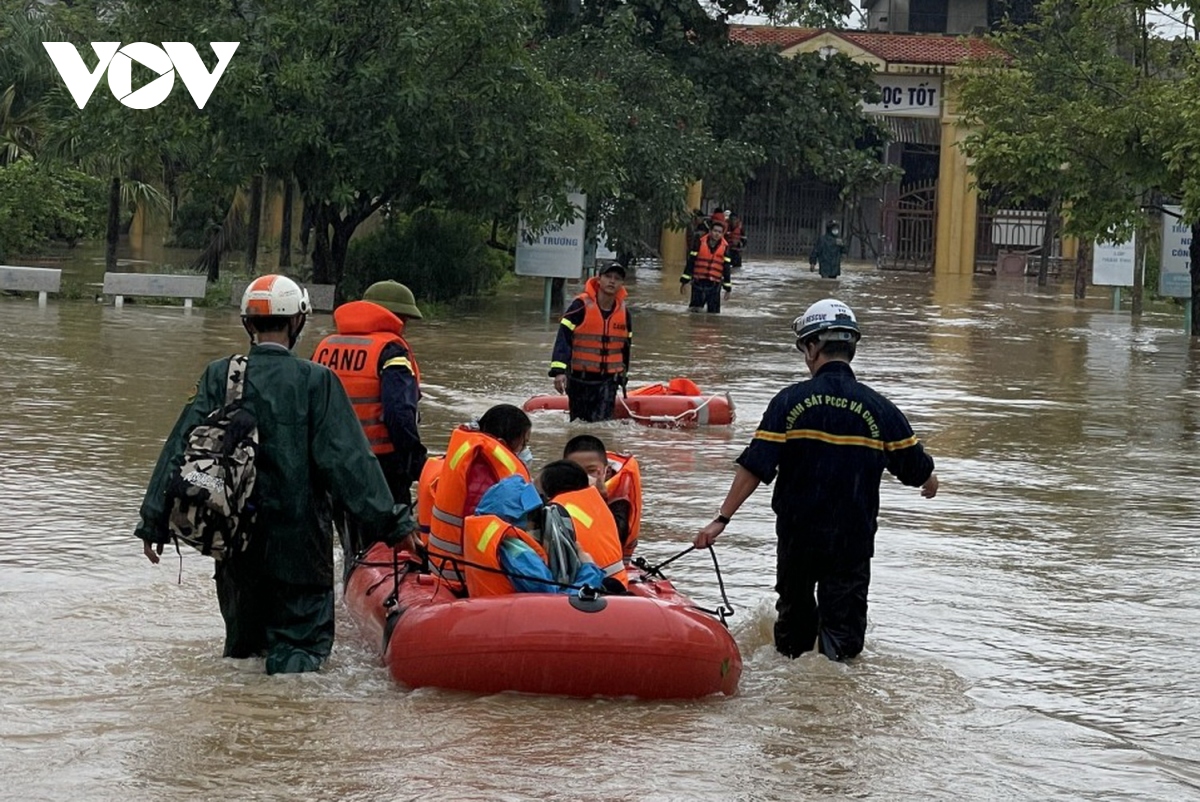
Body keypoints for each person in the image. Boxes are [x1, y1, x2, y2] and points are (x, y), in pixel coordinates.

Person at [135, 274, 407, 675]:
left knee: (243, 658)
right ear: (297, 322)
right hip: (300, 551)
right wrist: (394, 522)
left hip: (234, 549)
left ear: (248, 323)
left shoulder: (220, 376)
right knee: (298, 661)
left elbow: (180, 448)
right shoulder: (316, 381)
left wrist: (154, 520)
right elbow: (350, 463)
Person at [692, 298, 938, 661]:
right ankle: (835, 706)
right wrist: (930, 480)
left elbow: (754, 467)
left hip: (799, 536)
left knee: (793, 634)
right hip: (851, 541)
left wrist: (721, 520)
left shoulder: (789, 403)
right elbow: (916, 470)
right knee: (843, 637)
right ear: (851, 346)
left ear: (812, 347)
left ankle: (795, 703)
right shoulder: (880, 408)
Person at [311, 280, 427, 566]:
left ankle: (350, 589)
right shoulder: (390, 351)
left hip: (332, 462)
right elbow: (399, 413)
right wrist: (414, 459)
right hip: (381, 465)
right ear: (395, 317)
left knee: (352, 541)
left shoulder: (326, 347)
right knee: (389, 546)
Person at [425, 404, 532, 592]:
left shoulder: (470, 461)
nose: (525, 450)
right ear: (503, 442)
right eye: (523, 443)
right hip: (466, 575)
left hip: (445, 568)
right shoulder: (484, 475)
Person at [548, 263, 632, 422]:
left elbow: (626, 347)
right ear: (599, 279)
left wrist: (623, 375)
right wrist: (559, 371)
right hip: (580, 379)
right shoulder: (580, 306)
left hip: (608, 380)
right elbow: (563, 338)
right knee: (579, 424)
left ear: (621, 284)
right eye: (608, 277)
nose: (612, 281)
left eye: (617, 278)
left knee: (602, 424)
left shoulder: (624, 313)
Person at [538, 460, 627, 588]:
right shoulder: (594, 501)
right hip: (618, 582)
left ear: (548, 492)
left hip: (594, 586)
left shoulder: (554, 513)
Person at [562, 434, 642, 561]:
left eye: (591, 470)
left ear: (607, 471)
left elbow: (616, 537)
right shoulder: (556, 488)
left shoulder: (619, 498)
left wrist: (600, 500)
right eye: (575, 469)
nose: (582, 476)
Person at [681, 217, 732, 313]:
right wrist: (684, 281)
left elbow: (726, 269)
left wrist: (728, 288)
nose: (717, 234)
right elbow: (691, 262)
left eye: (720, 232)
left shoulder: (725, 248)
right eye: (715, 231)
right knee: (694, 311)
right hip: (698, 283)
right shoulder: (699, 243)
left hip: (714, 285)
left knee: (714, 314)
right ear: (710, 231)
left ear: (722, 234)